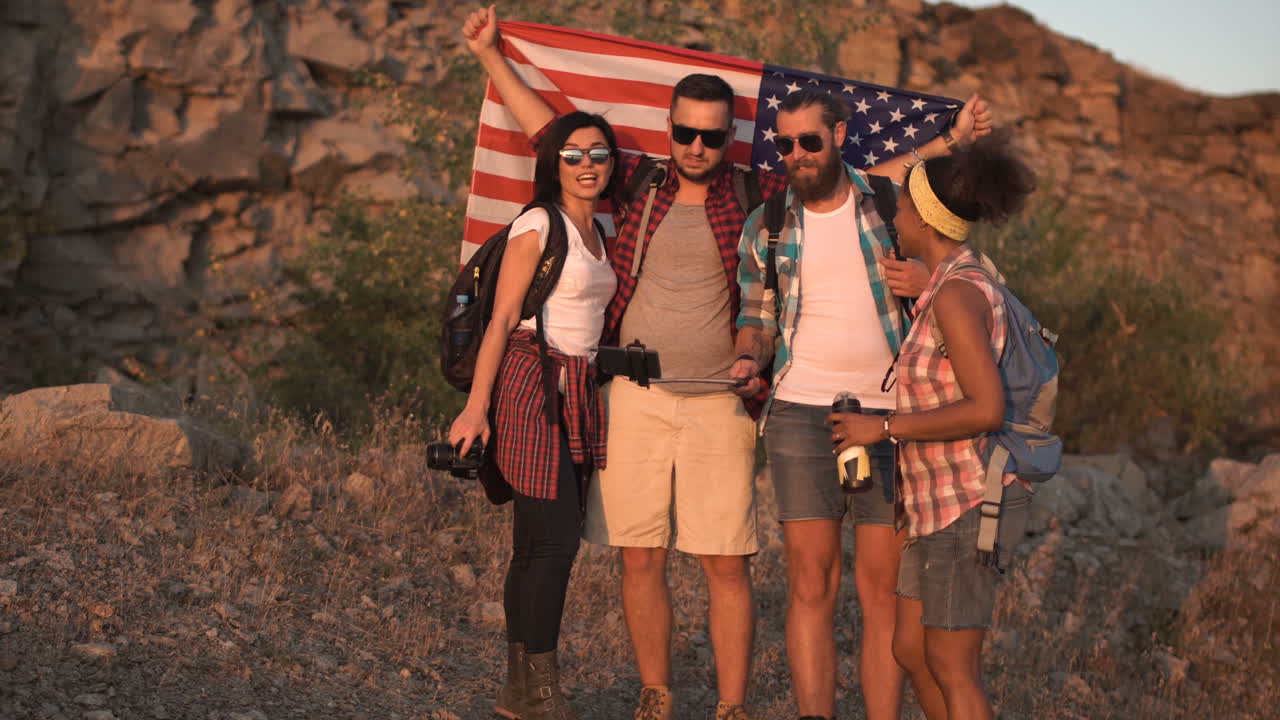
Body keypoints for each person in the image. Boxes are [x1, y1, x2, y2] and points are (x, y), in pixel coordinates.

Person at [461, 6, 792, 718]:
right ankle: (656, 693)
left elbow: (832, 170)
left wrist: (943, 142)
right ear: (670, 127)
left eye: (711, 134)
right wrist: (492, 57)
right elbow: (551, 138)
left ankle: (731, 705)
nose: (697, 145)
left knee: (725, 563)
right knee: (637, 556)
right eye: (685, 132)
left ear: (728, 136)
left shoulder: (751, 195)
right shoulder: (639, 182)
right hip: (631, 399)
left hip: (719, 402)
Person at [731, 88, 991, 720]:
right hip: (798, 415)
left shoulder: (884, 202)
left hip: (888, 418)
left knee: (881, 593)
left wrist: (926, 283)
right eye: (785, 144)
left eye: (809, 141)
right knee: (809, 585)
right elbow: (755, 316)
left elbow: (956, 273)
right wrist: (747, 358)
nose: (796, 154)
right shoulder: (765, 223)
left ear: (840, 136)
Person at [826, 131, 1037, 720]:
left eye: (901, 205)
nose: (894, 213)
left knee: (950, 665)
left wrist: (882, 429)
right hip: (933, 505)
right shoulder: (945, 285)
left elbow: (986, 408)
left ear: (924, 218)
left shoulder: (957, 295)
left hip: (967, 501)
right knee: (911, 649)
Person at [447, 111, 620, 720]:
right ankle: (541, 692)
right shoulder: (537, 222)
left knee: (533, 546)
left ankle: (519, 692)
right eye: (571, 155)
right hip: (530, 378)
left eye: (598, 153)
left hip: (576, 390)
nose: (586, 165)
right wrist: (476, 408)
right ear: (553, 164)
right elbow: (500, 317)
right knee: (554, 543)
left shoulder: (601, 229)